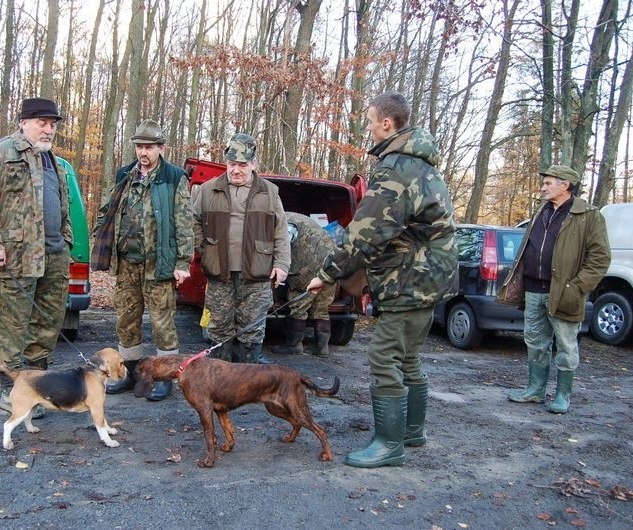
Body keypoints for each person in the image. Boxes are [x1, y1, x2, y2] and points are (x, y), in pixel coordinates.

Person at [307, 92, 458, 468]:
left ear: (387, 124)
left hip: (410, 279)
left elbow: (364, 234)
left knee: (384, 356)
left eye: (371, 120)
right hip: (429, 278)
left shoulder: (397, 169)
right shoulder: (423, 165)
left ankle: (390, 444)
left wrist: (325, 274)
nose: (369, 126)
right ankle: (411, 431)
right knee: (408, 356)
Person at [0, 97, 73, 414]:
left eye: (52, 124)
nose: (48, 129)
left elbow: (61, 207)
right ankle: (9, 393)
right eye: (42, 123)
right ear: (23, 122)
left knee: (47, 326)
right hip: (14, 258)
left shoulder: (54, 161)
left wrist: (66, 240)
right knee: (10, 329)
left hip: (53, 258)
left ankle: (36, 388)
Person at [91, 119, 193, 402]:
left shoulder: (173, 177)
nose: (143, 152)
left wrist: (183, 262)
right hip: (126, 265)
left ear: (161, 148)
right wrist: (102, 239)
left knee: (163, 324)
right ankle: (130, 374)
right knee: (126, 320)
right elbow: (107, 211)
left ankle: (165, 377)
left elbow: (185, 224)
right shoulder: (125, 174)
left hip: (159, 265)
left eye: (149, 147)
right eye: (139, 147)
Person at [498, 164, 610, 414]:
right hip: (533, 289)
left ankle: (562, 395)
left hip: (564, 292)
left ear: (565, 185)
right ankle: (535, 390)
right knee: (535, 342)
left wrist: (578, 286)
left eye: (549, 183)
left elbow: (600, 258)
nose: (543, 187)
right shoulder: (541, 211)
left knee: (566, 344)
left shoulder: (588, 215)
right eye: (544, 182)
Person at [192, 133, 291, 364]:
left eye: (242, 165)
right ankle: (220, 380)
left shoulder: (270, 192)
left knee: (252, 328)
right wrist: (204, 248)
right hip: (219, 273)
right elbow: (192, 221)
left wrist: (281, 264)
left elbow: (281, 231)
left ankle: (249, 381)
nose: (236, 170)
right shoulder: (208, 190)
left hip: (256, 274)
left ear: (254, 164)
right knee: (219, 328)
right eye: (232, 164)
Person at [271, 212, 338, 357]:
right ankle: (322, 349)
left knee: (299, 306)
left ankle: (294, 346)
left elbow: (284, 246)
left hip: (306, 268)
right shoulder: (298, 218)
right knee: (322, 307)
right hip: (331, 265)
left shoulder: (285, 222)